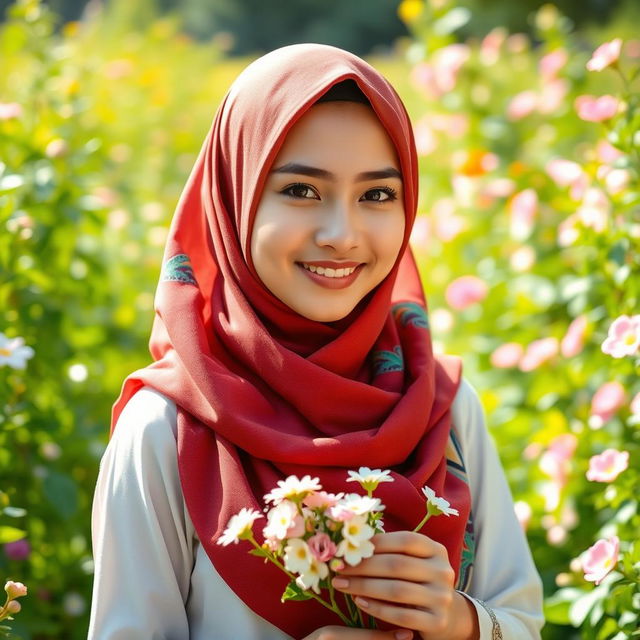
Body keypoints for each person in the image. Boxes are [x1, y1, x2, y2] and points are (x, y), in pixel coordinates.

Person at [88, 43, 544, 639]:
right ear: (235, 197)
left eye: (377, 195)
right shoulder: (167, 431)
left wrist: (459, 623)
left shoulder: (443, 405)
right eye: (301, 190)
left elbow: (521, 622)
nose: (341, 234)